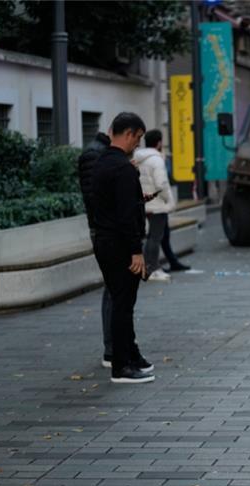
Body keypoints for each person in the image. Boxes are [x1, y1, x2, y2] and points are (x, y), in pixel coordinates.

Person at [90, 112, 154, 384]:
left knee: (122, 300)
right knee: (123, 303)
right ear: (128, 134)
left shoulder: (102, 162)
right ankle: (121, 365)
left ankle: (130, 354)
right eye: (137, 139)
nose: (137, 145)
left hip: (105, 241)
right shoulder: (122, 168)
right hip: (119, 245)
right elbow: (126, 215)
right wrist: (136, 250)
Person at [78, 130, 114, 367]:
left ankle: (115, 347)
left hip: (107, 228)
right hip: (105, 230)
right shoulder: (94, 155)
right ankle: (111, 349)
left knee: (115, 288)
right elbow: (96, 197)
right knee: (113, 287)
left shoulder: (101, 153)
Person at [134, 129, 176, 282]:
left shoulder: (139, 158)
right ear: (159, 143)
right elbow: (161, 184)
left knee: (151, 237)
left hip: (145, 203)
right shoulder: (156, 160)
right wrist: (167, 199)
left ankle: (147, 267)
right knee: (155, 238)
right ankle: (152, 269)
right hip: (157, 204)